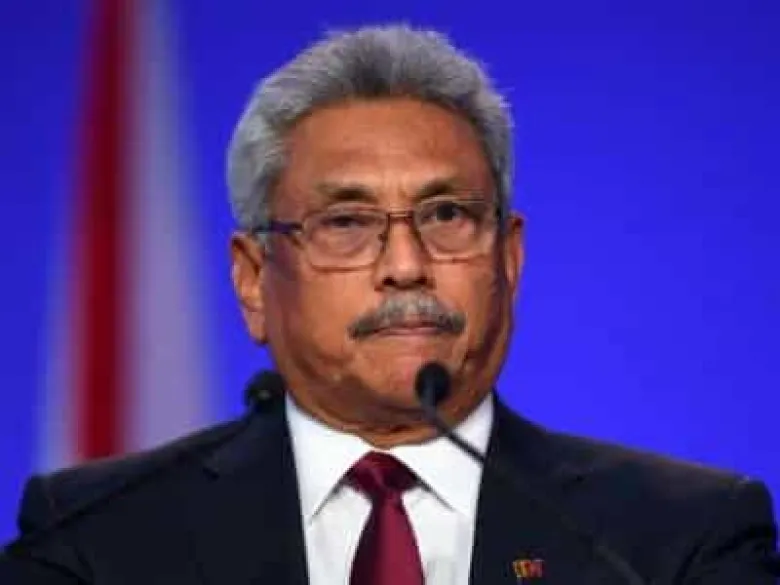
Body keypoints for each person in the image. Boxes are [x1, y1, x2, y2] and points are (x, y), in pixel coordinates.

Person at [1, 24, 777, 585]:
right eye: (346, 222)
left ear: (508, 260)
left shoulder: (675, 540)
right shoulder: (95, 537)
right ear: (253, 280)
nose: (406, 266)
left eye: (447, 215)